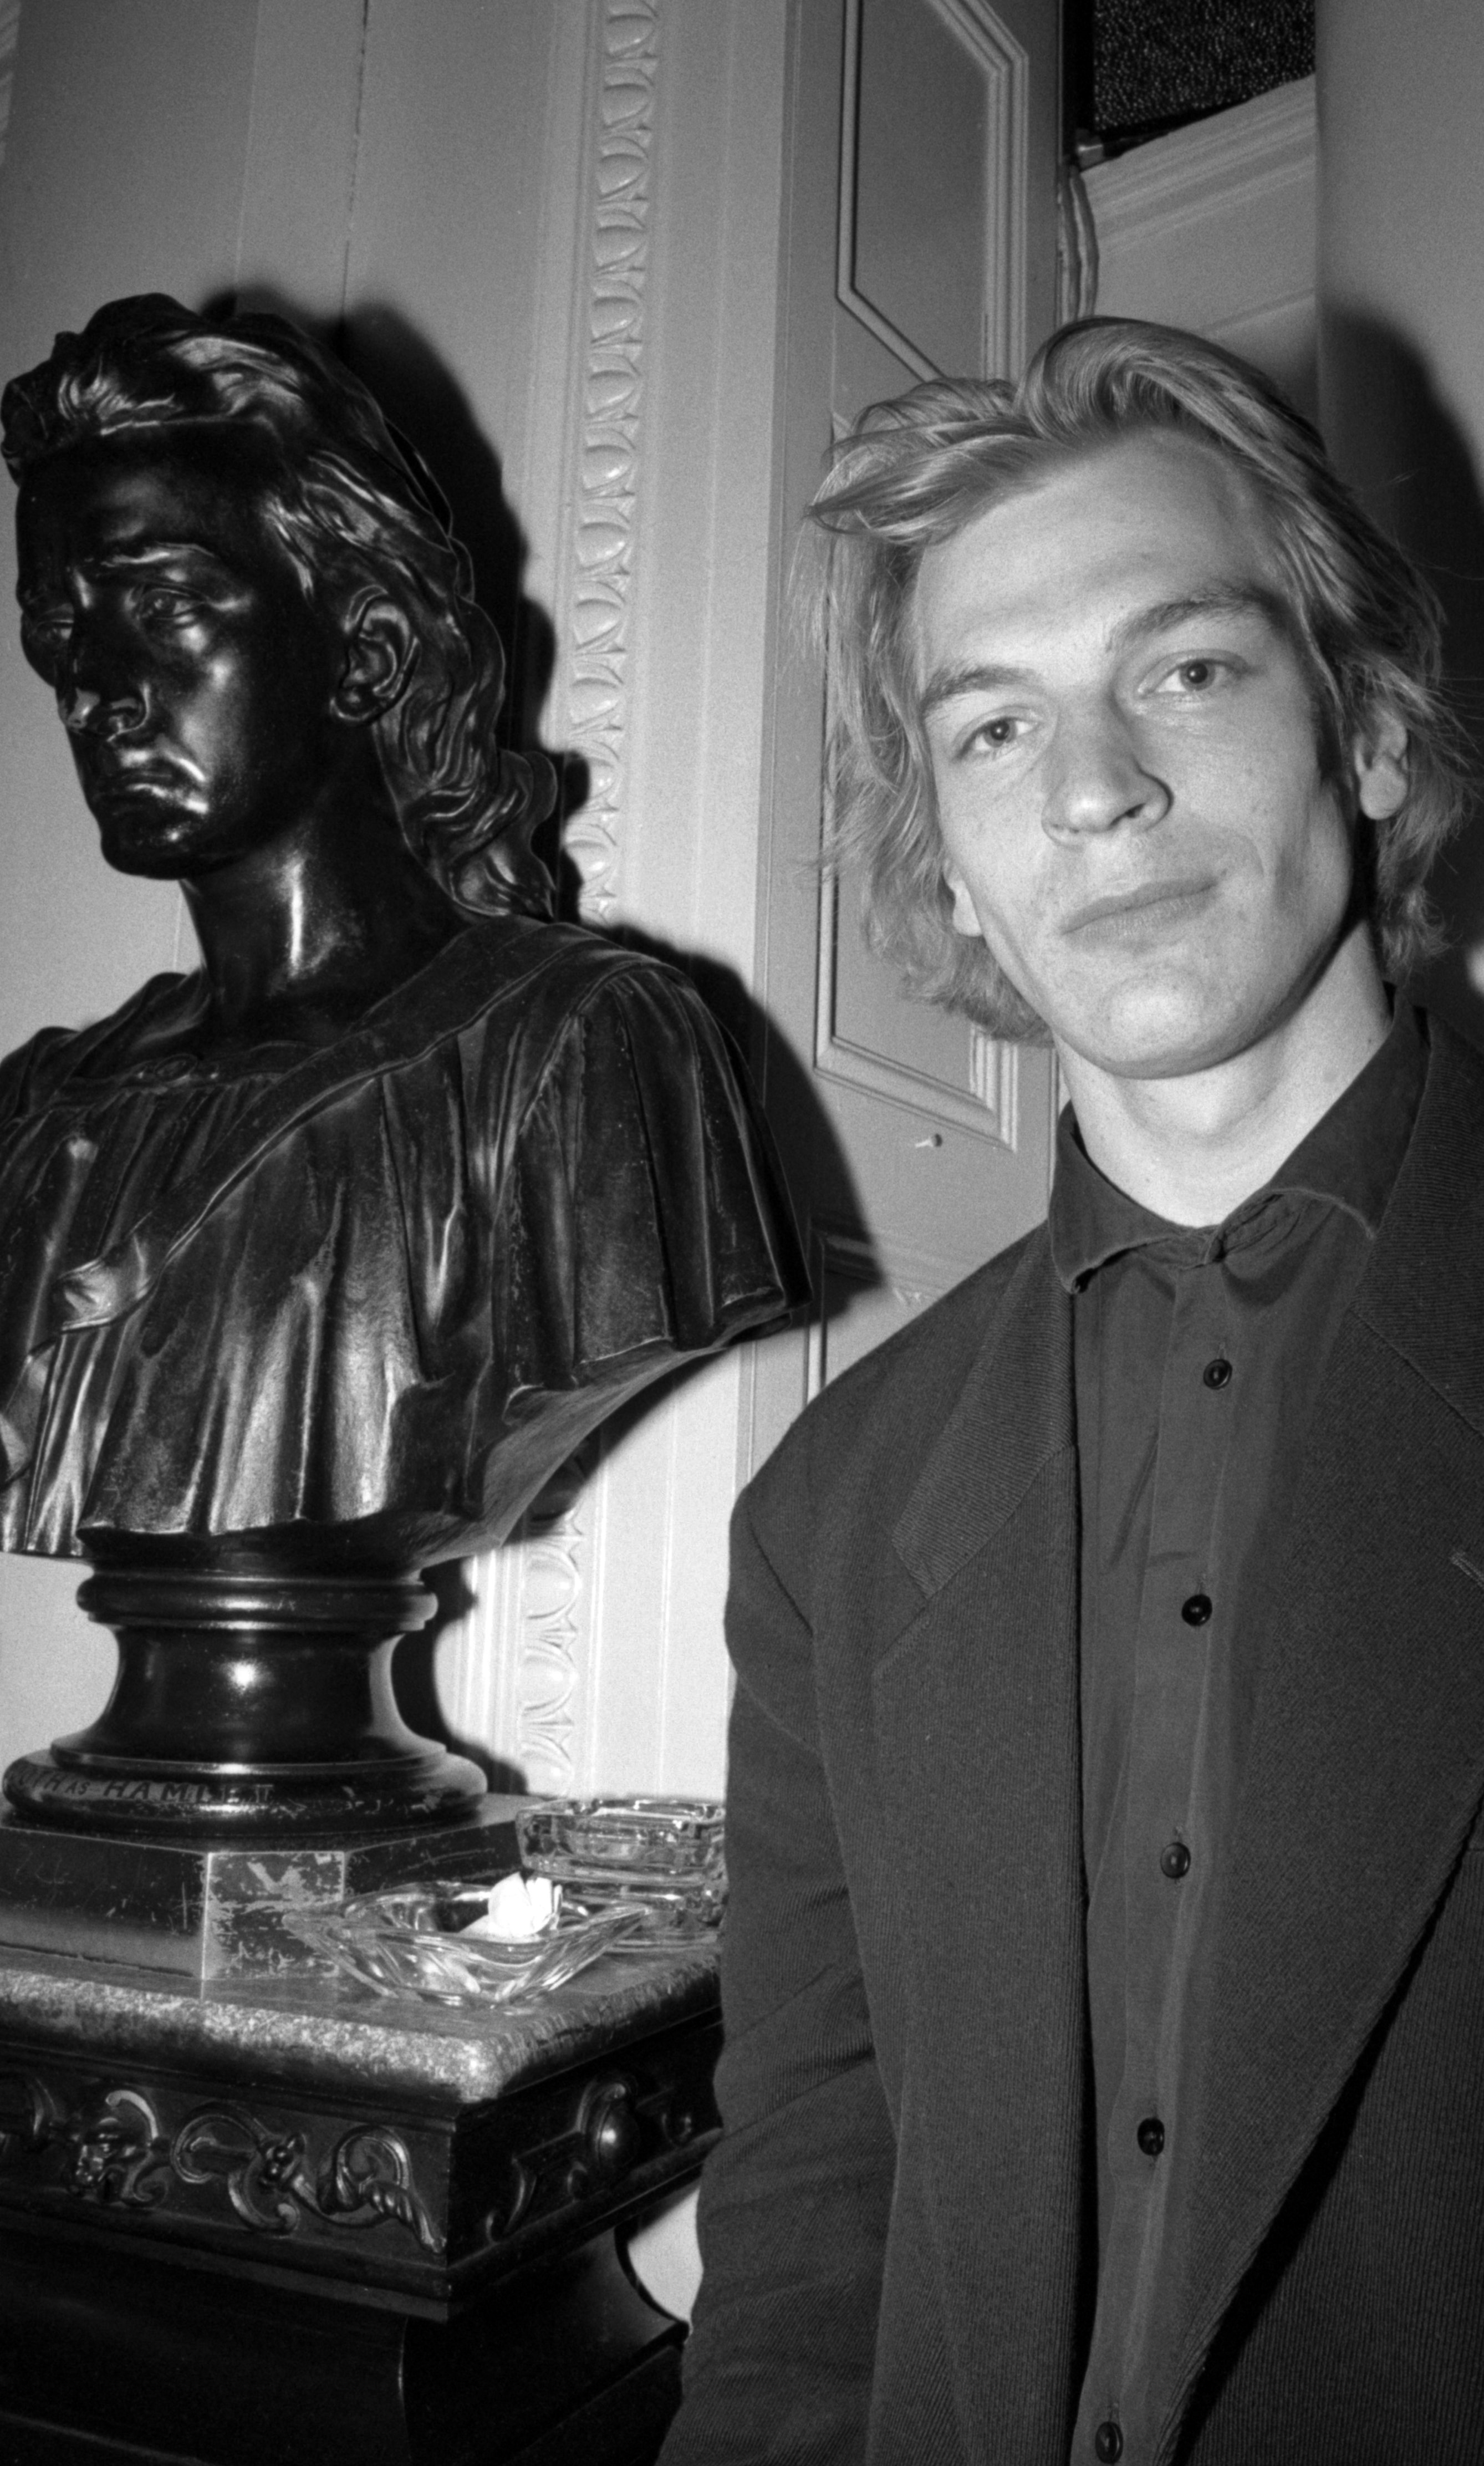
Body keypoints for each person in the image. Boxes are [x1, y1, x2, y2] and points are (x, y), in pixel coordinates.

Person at [662, 319, 1484, 2465]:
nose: (1094, 787)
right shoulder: (829, 1502)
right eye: (992, 726)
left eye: (1186, 669)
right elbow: (810, 2193)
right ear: (941, 857)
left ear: (1371, 727)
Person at [0, 295, 805, 1571]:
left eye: (162, 608)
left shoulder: (583, 1049)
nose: (93, 689)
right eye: (58, 625)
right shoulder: (37, 1115)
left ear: (365, 653)